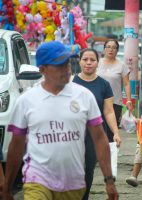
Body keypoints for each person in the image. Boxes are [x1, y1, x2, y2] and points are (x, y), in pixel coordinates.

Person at [3, 41, 118, 200]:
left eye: (67, 63)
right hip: (37, 180)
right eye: (59, 65)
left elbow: (99, 139)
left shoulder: (84, 97)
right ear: (42, 69)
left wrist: (109, 180)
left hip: (73, 183)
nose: (66, 69)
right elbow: (16, 144)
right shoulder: (26, 101)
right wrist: (7, 187)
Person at [73, 48, 121, 200]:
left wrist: (116, 132)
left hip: (94, 135)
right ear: (79, 61)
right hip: (73, 134)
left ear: (97, 63)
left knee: (88, 171)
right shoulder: (71, 83)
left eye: (92, 60)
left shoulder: (104, 85)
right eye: (85, 59)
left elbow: (108, 111)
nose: (88, 63)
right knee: (73, 170)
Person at [97, 39, 133, 129]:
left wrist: (128, 100)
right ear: (104, 49)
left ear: (117, 50)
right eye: (108, 47)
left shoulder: (122, 65)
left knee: (111, 130)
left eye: (114, 48)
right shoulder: (97, 63)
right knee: (98, 129)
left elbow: (126, 84)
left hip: (115, 103)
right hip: (97, 101)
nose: (111, 50)